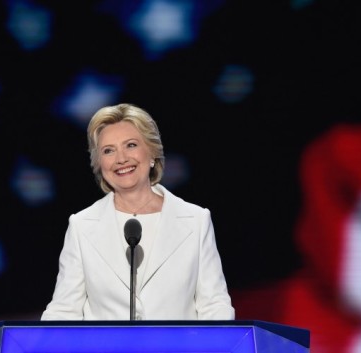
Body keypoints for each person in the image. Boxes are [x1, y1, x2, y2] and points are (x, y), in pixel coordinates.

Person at [41, 103, 235, 320]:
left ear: (152, 152)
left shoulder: (196, 220)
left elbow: (215, 306)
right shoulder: (82, 225)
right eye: (108, 150)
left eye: (131, 145)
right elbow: (64, 311)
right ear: (99, 163)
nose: (121, 158)